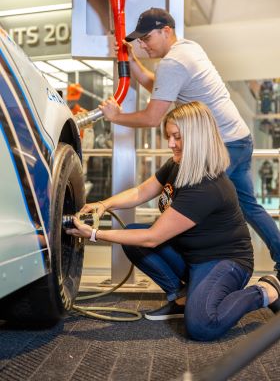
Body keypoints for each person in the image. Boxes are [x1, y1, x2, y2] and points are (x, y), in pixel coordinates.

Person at [66, 101, 280, 341]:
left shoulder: (207, 186)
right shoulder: (176, 165)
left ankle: (266, 291)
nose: (170, 144)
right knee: (132, 236)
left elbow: (153, 237)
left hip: (224, 263)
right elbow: (140, 192)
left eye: (177, 137)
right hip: (191, 256)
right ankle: (182, 298)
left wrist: (94, 234)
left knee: (203, 326)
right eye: (169, 136)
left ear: (197, 138)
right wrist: (104, 204)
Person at [98, 7, 280, 278]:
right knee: (249, 206)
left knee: (183, 207)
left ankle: (189, 277)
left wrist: (117, 117)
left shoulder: (173, 62)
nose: (143, 44)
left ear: (166, 30)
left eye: (146, 38)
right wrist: (132, 59)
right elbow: (160, 88)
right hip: (239, 139)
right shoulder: (188, 49)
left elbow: (152, 117)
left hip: (221, 146)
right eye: (140, 40)